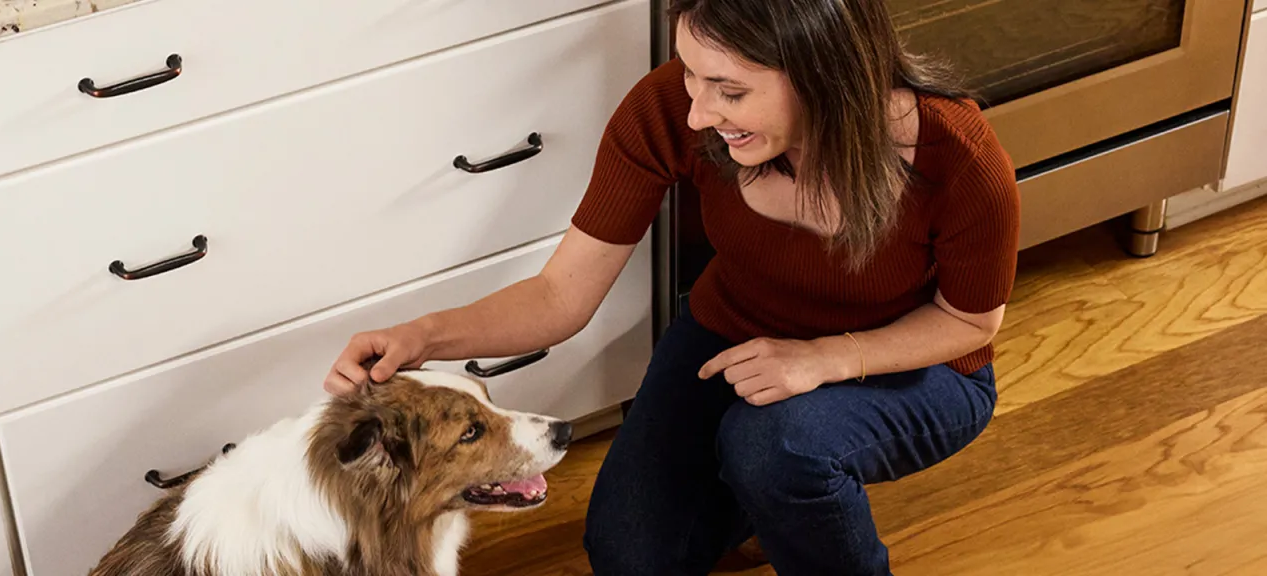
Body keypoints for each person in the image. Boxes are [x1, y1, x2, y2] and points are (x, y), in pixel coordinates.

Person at [323, 0, 1020, 573]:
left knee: (777, 446)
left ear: (825, 75)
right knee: (629, 557)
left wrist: (825, 359)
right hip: (731, 338)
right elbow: (561, 294)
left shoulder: (955, 155)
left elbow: (969, 324)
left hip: (915, 367)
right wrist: (420, 338)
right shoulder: (667, 110)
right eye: (692, 74)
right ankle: (763, 496)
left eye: (731, 91)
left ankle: (782, 493)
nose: (697, 113)